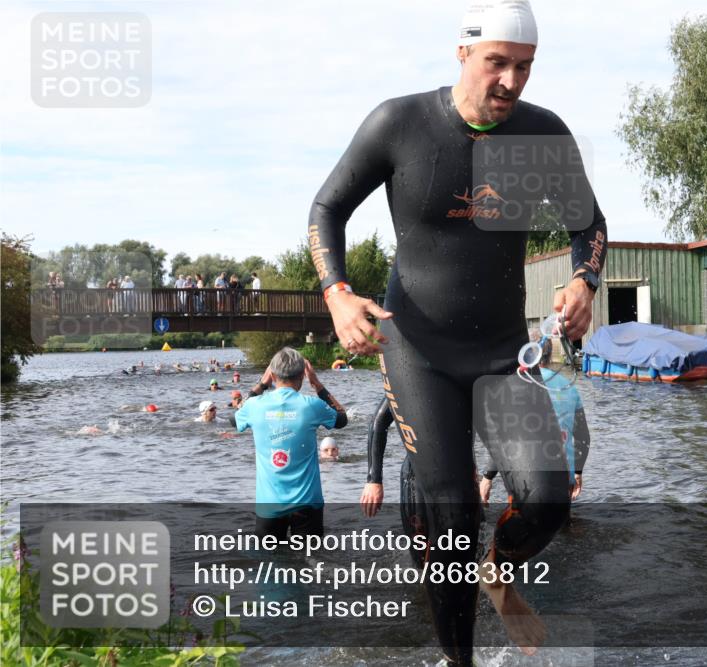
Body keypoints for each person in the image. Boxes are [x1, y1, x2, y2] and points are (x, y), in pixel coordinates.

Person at [308, 2, 607, 663]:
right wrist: (337, 294)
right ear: (463, 53)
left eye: (523, 67)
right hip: (417, 348)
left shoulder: (541, 135)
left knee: (548, 499)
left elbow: (590, 224)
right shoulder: (401, 123)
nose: (509, 81)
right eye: (496, 62)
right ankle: (459, 660)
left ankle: (496, 569)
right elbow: (327, 208)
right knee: (450, 518)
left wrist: (585, 279)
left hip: (503, 351)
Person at [233, 348, 348, 538]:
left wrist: (261, 384)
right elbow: (342, 419)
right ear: (303, 374)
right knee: (311, 561)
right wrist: (317, 384)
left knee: (267, 562)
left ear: (272, 374)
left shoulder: (254, 406)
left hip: (269, 504)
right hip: (307, 503)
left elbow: (233, 419)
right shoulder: (312, 405)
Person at [480, 338, 590, 504]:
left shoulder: (518, 384)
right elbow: (583, 438)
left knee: (524, 525)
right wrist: (577, 472)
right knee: (561, 525)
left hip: (527, 477)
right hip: (564, 475)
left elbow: (506, 439)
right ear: (549, 354)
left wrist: (488, 477)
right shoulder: (569, 386)